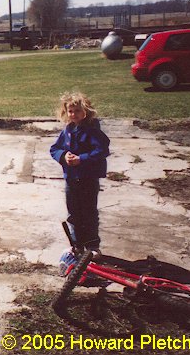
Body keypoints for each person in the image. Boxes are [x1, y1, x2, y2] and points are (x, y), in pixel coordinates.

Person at [50, 92, 110, 260]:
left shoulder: (92, 130)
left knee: (89, 212)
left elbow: (102, 150)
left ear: (86, 111)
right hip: (71, 179)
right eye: (70, 111)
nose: (73, 114)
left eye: (77, 111)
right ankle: (77, 244)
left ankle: (92, 245)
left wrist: (81, 159)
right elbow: (55, 149)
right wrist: (64, 156)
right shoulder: (68, 130)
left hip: (88, 178)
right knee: (74, 212)